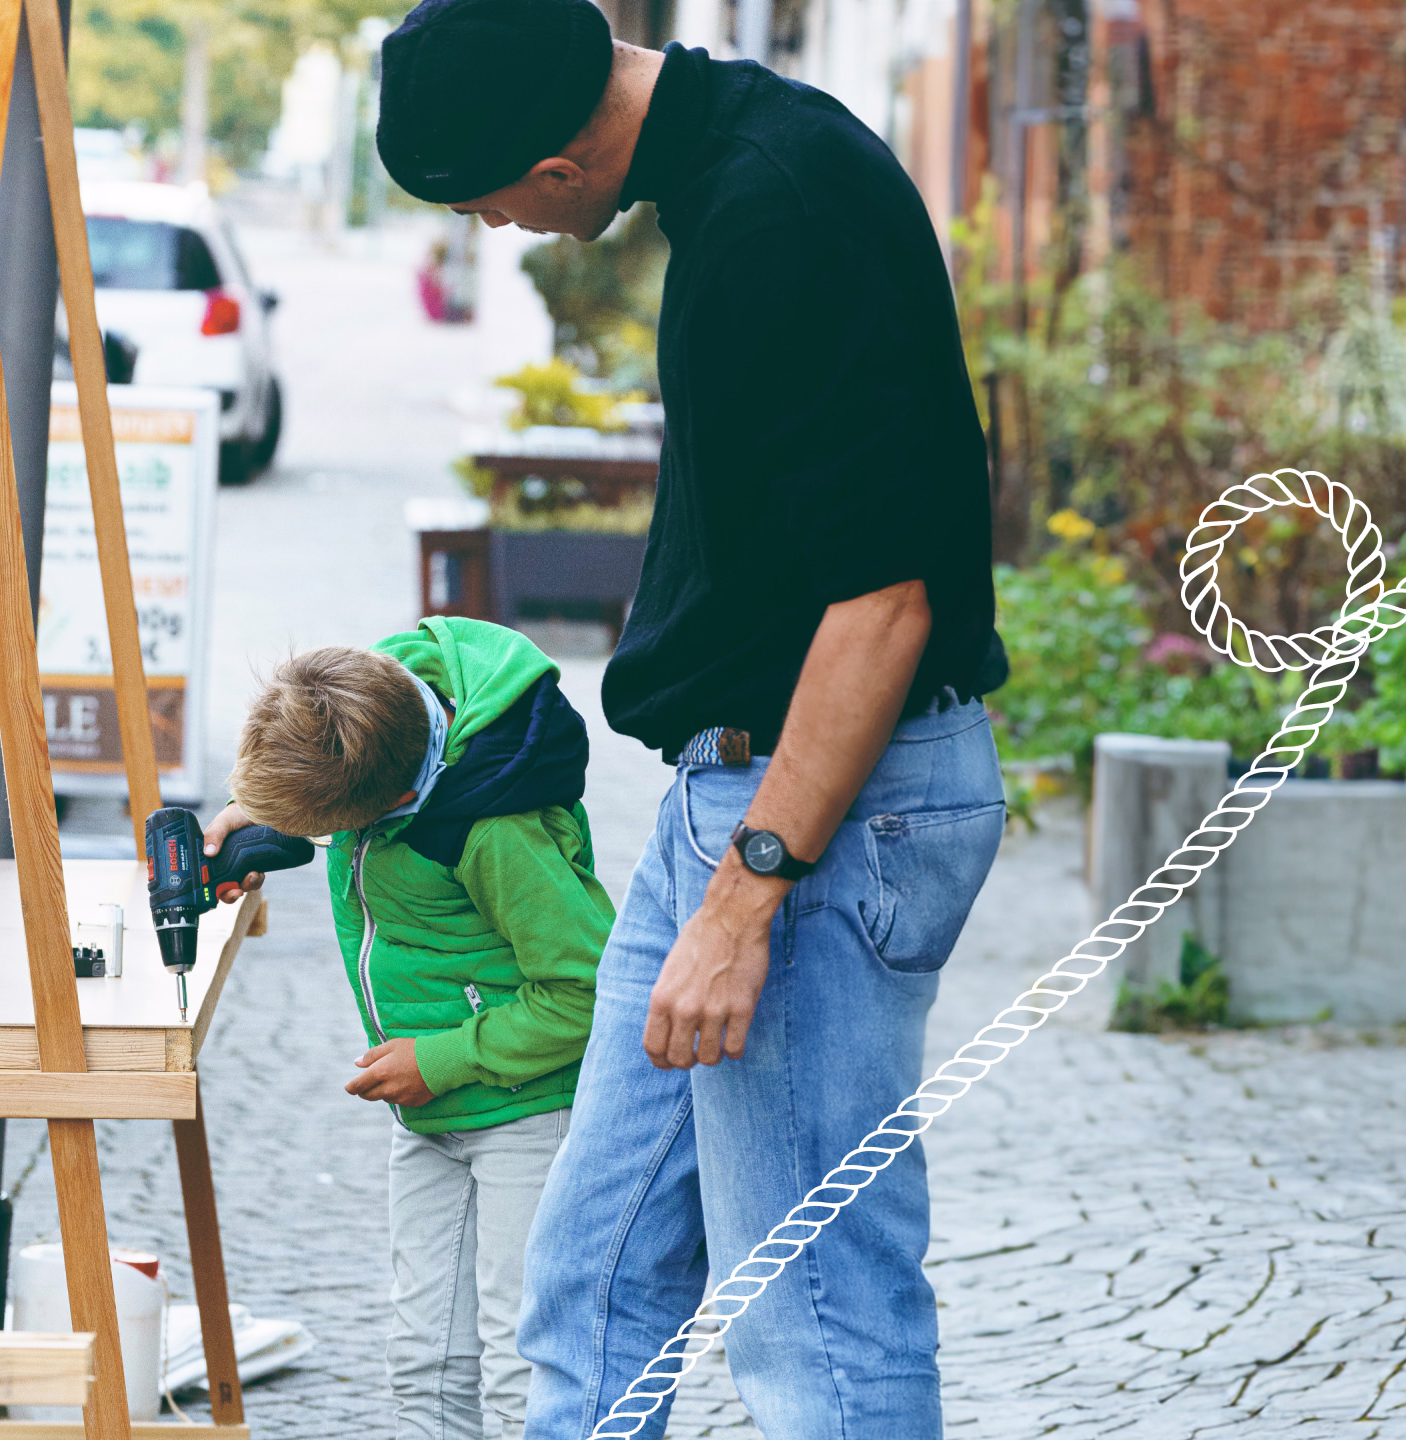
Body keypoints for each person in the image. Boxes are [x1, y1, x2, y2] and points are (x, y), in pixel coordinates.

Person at [373, 2, 1015, 1437]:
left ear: (552, 164)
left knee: (818, 1312)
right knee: (591, 1276)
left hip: (827, 816)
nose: (489, 229)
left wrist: (749, 898)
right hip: (729, 796)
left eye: (478, 202)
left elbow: (884, 605)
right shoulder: (737, 170)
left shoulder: (780, 215)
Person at [206, 617, 613, 1440]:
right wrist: (262, 813)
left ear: (388, 804)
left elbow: (589, 988)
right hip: (431, 1111)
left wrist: (441, 1058)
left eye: (330, 827)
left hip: (526, 1114)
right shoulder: (371, 710)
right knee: (422, 1360)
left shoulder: (492, 831)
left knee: (518, 1363)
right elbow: (327, 774)